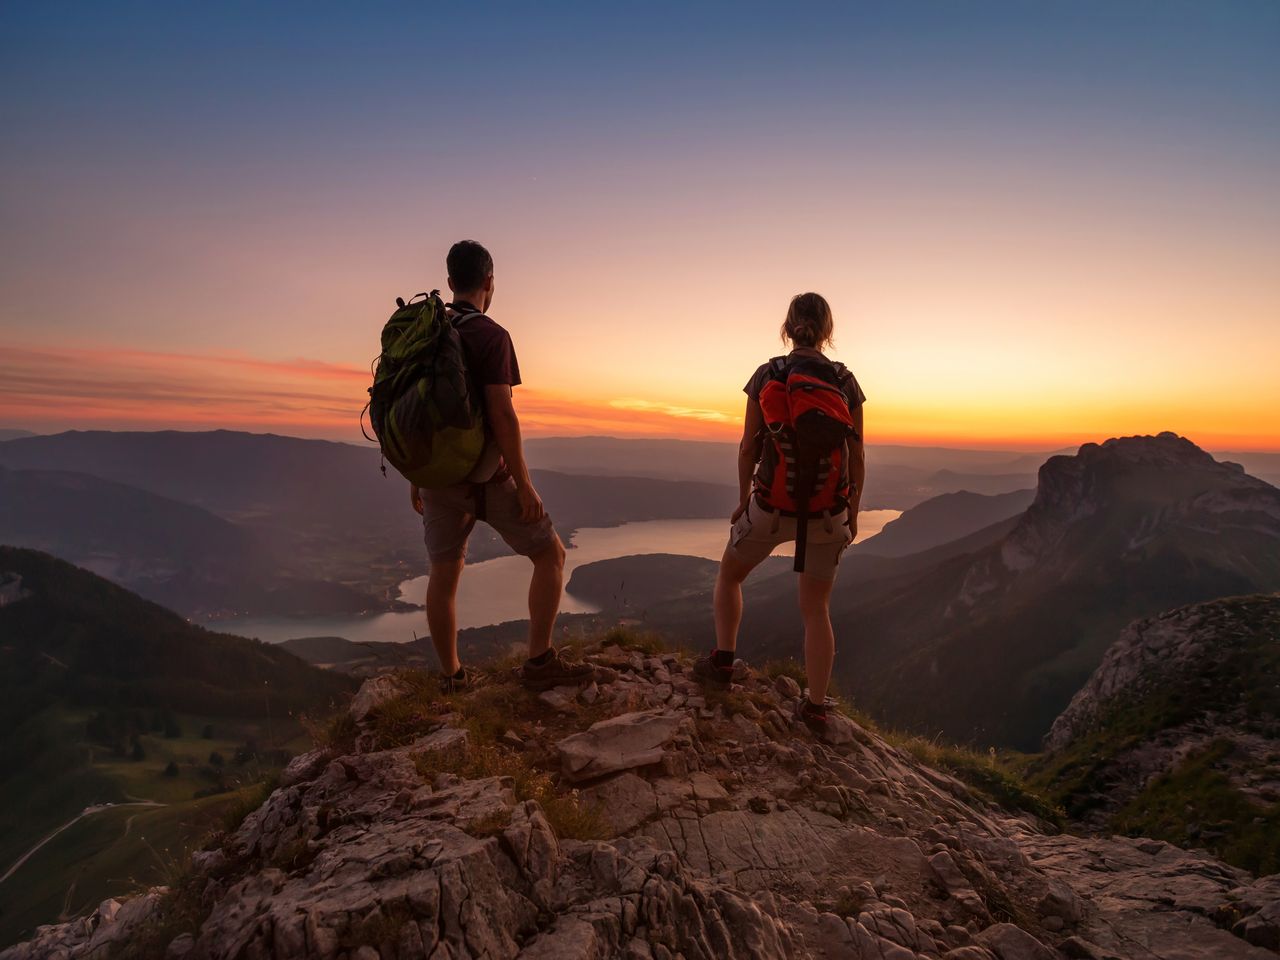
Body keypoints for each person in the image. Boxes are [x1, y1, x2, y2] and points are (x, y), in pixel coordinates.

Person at [409, 240, 592, 692]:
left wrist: (418, 475)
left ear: (451, 283)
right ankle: (539, 662)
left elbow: (414, 414)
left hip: (437, 479)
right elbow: (502, 414)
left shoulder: (424, 334)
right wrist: (525, 484)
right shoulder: (493, 336)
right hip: (490, 478)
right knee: (550, 555)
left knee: (443, 574)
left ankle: (451, 677)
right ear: (489, 282)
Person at [693, 292, 866, 737]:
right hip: (827, 514)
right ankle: (815, 708)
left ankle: (724, 662)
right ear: (827, 331)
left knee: (730, 576)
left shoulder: (769, 374)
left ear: (787, 328)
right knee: (816, 609)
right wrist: (854, 511)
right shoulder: (844, 381)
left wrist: (740, 499)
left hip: (771, 504)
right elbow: (857, 454)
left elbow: (749, 446)